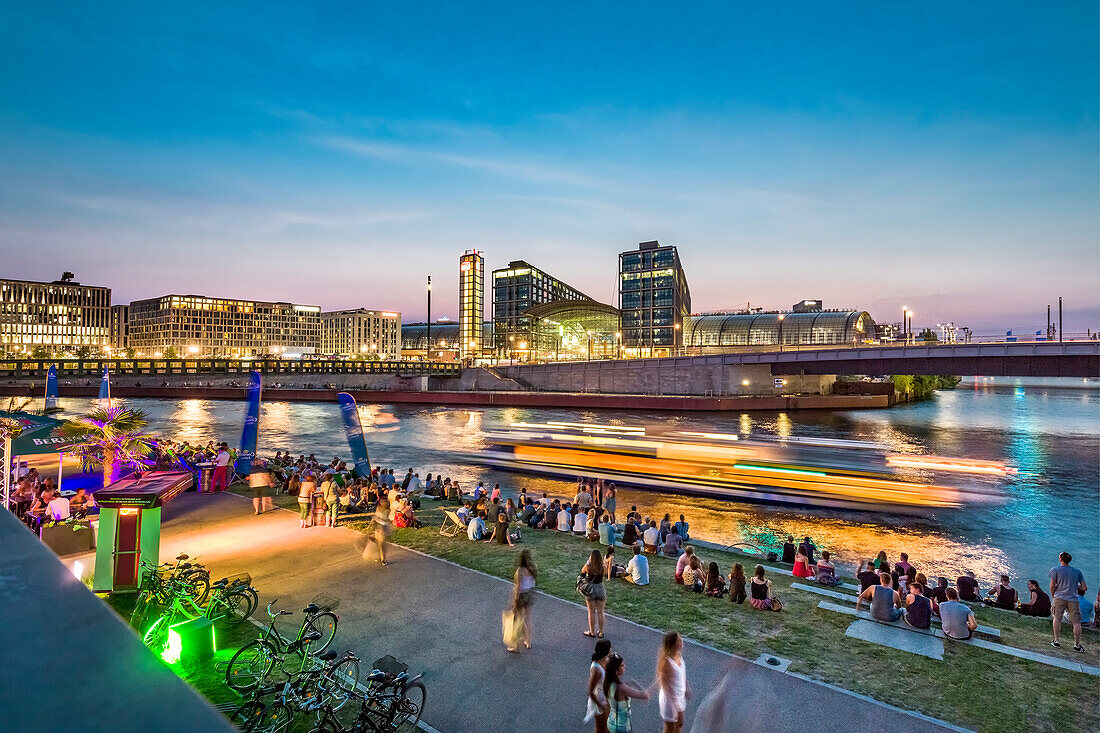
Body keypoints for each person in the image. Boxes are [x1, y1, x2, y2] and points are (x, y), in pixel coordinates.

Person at [1049, 551, 1087, 652]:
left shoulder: (1055, 570)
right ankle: (1077, 645)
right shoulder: (1077, 572)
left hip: (1059, 597)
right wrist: (1074, 586)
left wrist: (1053, 595)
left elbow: (1052, 585)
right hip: (1073, 599)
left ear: (1060, 559)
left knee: (1057, 618)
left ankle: (1056, 641)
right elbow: (1084, 587)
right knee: (1076, 622)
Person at [604, 653, 649, 733]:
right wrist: (635, 683)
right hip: (622, 726)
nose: (624, 667)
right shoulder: (622, 688)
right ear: (616, 670)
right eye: (622, 665)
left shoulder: (607, 683)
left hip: (611, 721)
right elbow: (645, 695)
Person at [656, 631, 690, 733]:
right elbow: (668, 689)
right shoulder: (667, 662)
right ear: (673, 644)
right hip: (670, 702)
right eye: (678, 640)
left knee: (679, 725)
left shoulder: (678, 655)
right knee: (670, 729)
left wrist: (686, 687)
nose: (681, 641)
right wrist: (678, 709)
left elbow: (681, 674)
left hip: (679, 696)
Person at [507, 550, 537, 652]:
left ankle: (514, 645)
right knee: (527, 619)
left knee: (517, 620)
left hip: (522, 595)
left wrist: (514, 600)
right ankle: (528, 641)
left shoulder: (520, 571)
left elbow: (518, 587)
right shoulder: (533, 569)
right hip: (530, 594)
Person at [586, 639, 613, 733]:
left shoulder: (606, 660)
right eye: (610, 648)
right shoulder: (596, 669)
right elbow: (590, 691)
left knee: (609, 727)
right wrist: (600, 704)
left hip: (607, 698)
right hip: (600, 700)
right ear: (607, 650)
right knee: (601, 729)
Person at [582, 549, 606, 638]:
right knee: (601, 611)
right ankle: (601, 632)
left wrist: (588, 562)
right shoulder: (602, 566)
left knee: (591, 611)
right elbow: (607, 572)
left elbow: (582, 571)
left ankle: (591, 631)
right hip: (600, 587)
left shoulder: (589, 566)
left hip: (590, 589)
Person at [368, 495, 391, 566]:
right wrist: (373, 521)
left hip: (383, 527)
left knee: (381, 544)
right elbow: (376, 515)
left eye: (383, 501)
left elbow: (385, 520)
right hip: (377, 526)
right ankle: (380, 557)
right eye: (381, 501)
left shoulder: (387, 510)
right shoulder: (378, 508)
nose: (382, 502)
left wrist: (376, 518)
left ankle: (383, 558)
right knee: (378, 543)